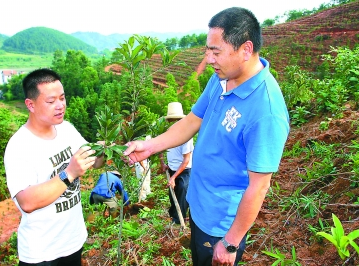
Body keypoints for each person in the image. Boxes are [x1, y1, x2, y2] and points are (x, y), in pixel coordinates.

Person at [124, 7, 290, 266]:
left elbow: (259, 186)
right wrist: (149, 146)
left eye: (216, 51)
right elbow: (192, 121)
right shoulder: (222, 77)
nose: (208, 59)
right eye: (207, 50)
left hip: (222, 223)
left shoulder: (266, 111)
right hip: (200, 204)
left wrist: (231, 242)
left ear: (245, 50)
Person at [4, 68, 104, 265]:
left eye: (62, 98)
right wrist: (69, 173)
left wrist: (106, 150)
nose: (60, 106)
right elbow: (26, 202)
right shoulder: (19, 146)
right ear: (30, 105)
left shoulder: (66, 129)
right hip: (41, 253)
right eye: (51, 101)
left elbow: (94, 162)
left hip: (72, 243)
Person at [159, 102, 194, 225]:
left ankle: (179, 219)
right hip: (172, 168)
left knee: (183, 191)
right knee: (172, 193)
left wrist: (174, 177)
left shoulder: (186, 137)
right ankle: (174, 215)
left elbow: (186, 160)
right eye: (172, 120)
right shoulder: (166, 133)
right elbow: (160, 149)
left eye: (177, 120)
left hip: (185, 170)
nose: (174, 123)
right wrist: (163, 163)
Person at [134, 135, 152, 201]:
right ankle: (142, 197)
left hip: (145, 163)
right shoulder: (141, 147)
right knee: (142, 180)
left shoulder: (147, 147)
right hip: (140, 165)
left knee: (147, 178)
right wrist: (144, 167)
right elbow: (139, 159)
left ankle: (148, 193)